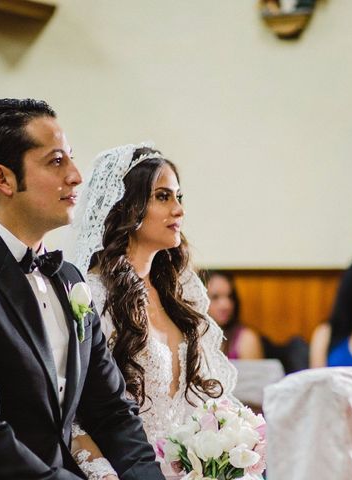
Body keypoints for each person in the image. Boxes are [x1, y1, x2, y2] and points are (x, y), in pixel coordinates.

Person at [0, 99, 163, 480]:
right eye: (56, 161)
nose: (76, 176)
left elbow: (111, 410)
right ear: (3, 179)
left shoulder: (69, 279)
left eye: (71, 159)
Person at [69, 143, 238, 477]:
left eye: (179, 197)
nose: (178, 210)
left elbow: (205, 401)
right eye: (163, 197)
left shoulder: (181, 295)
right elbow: (74, 418)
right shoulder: (94, 298)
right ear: (126, 207)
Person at [203, 270, 264, 360]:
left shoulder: (246, 339)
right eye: (215, 297)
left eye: (230, 296)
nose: (226, 305)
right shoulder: (190, 338)